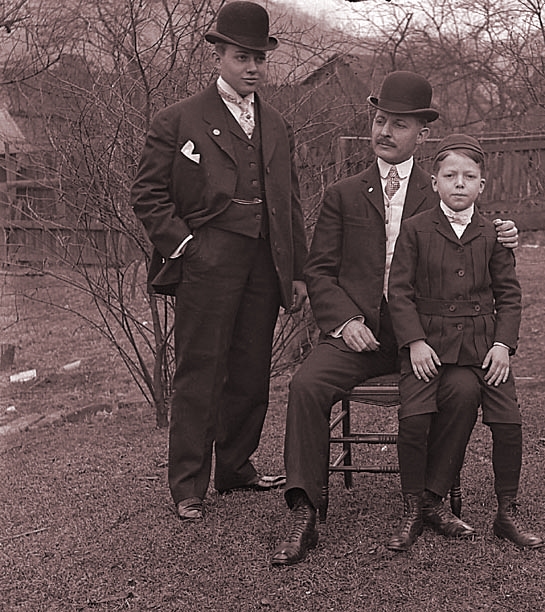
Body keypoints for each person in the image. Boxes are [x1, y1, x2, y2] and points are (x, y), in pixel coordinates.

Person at [270, 72, 519, 566]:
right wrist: (344, 321)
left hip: (426, 336)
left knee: (462, 390)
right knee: (306, 386)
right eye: (379, 119)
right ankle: (305, 509)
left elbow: (479, 237)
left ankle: (430, 498)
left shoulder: (443, 191)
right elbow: (319, 271)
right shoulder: (344, 194)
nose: (384, 130)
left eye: (398, 124)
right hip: (358, 334)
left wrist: (505, 231)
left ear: (421, 135)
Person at [131, 1, 308, 521]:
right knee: (201, 371)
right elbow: (147, 195)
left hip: (264, 262)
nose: (251, 67)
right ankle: (188, 484)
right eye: (240, 56)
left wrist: (295, 270)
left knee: (251, 370)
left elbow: (289, 201)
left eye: (259, 57)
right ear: (218, 56)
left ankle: (236, 467)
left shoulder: (276, 124)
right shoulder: (178, 119)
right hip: (206, 260)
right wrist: (185, 245)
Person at [387, 134, 543, 551]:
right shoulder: (416, 230)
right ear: (434, 182)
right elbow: (398, 293)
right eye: (450, 175)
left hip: (482, 345)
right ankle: (414, 509)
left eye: (469, 176)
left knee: (508, 422)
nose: (459, 183)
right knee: (415, 417)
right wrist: (415, 342)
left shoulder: (493, 233)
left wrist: (502, 346)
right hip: (430, 345)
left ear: (482, 186)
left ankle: (506, 513)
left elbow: (508, 294)